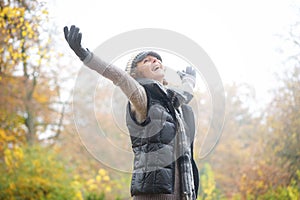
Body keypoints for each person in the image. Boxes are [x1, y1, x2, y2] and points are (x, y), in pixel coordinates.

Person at [64, 25, 199, 200]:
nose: (155, 61)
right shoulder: (142, 98)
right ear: (135, 74)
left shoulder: (172, 104)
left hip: (184, 194)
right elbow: (119, 77)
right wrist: (86, 56)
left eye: (157, 59)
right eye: (147, 61)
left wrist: (189, 81)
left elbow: (183, 96)